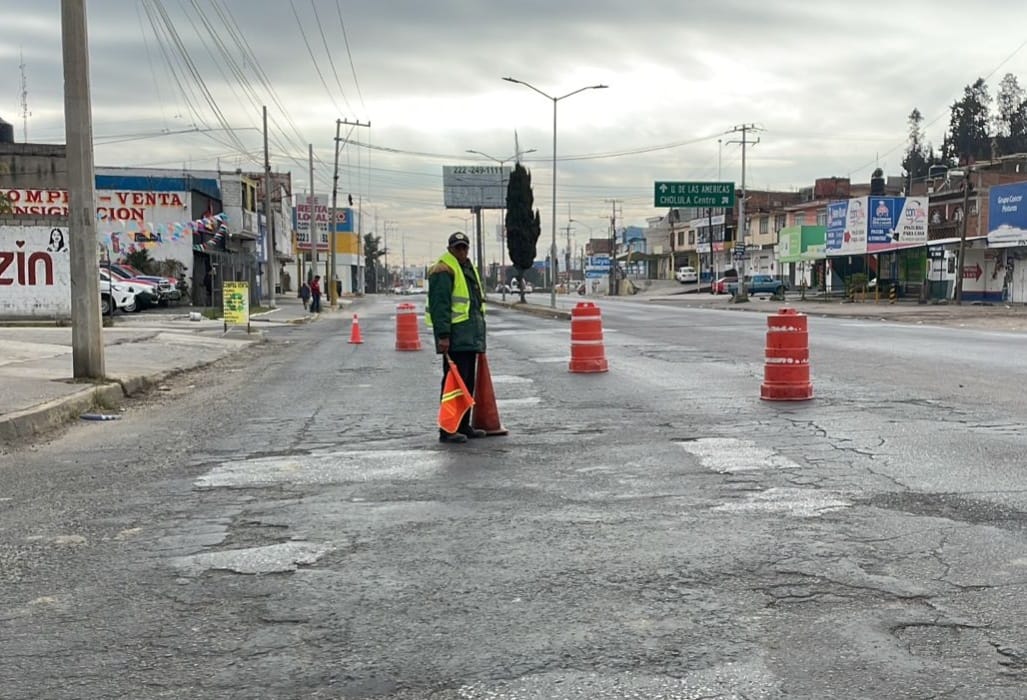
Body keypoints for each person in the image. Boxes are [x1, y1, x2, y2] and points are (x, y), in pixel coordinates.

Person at [426, 231, 487, 444]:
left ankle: (463, 425)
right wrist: (443, 336)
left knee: (467, 383)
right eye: (457, 247)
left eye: (464, 247)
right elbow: (440, 306)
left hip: (469, 336)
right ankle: (447, 429)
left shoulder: (468, 268)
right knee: (453, 386)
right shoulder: (443, 269)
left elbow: (475, 304)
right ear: (450, 248)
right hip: (454, 336)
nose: (461, 251)